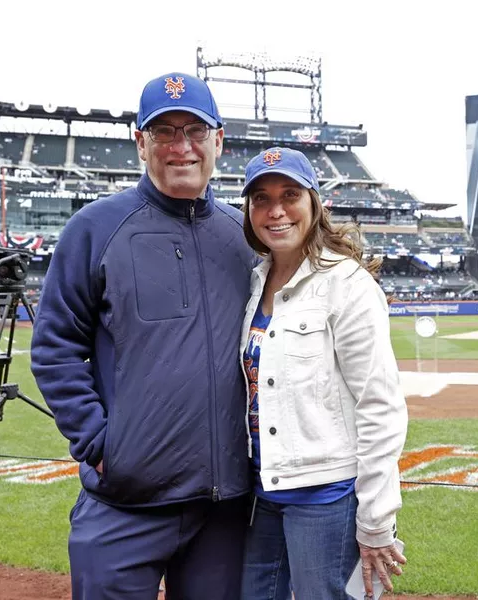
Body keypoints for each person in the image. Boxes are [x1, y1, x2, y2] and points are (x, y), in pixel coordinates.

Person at [30, 72, 257, 600]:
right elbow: (54, 347)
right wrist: (99, 442)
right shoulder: (95, 228)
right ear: (141, 143)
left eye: (195, 131)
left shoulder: (243, 237)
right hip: (124, 505)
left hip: (221, 511)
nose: (182, 147)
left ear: (218, 140)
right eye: (164, 133)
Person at [238, 147, 409, 599]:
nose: (275, 210)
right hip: (261, 489)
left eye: (289, 194)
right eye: (260, 199)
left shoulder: (347, 284)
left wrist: (375, 518)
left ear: (315, 203)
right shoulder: (253, 282)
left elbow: (380, 405)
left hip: (325, 495)